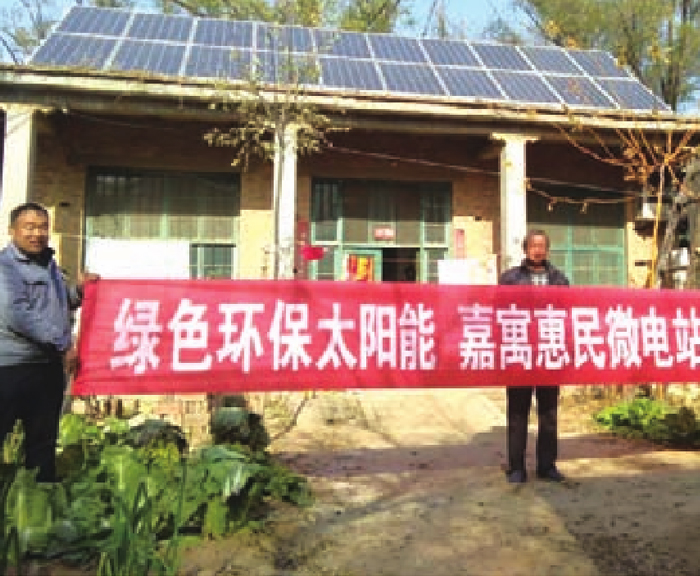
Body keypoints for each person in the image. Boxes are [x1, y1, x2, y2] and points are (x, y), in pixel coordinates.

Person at [0, 202, 98, 482]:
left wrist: (79, 291)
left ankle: (40, 500)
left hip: (47, 369)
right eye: (29, 227)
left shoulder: (49, 264)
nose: (37, 234)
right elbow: (18, 314)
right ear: (12, 230)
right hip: (12, 369)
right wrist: (63, 344)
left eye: (43, 227)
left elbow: (59, 302)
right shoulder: (6, 268)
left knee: (42, 444)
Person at [499, 229, 569, 484]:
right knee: (517, 413)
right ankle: (517, 467)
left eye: (542, 246)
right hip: (519, 353)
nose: (538, 250)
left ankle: (547, 466)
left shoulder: (559, 279)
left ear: (547, 250)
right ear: (525, 249)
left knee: (549, 413)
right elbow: (498, 313)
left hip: (549, 353)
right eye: (533, 246)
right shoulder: (509, 279)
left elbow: (567, 313)